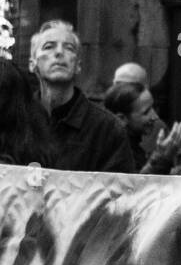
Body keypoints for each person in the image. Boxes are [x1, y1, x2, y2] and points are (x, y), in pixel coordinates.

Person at [29, 19, 135, 173]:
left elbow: (119, 190)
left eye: (69, 48)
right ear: (32, 63)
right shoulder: (17, 122)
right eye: (48, 47)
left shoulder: (107, 129)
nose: (59, 53)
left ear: (78, 65)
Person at [101, 81, 181, 173]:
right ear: (122, 118)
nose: (155, 116)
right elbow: (136, 185)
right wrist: (161, 158)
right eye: (146, 112)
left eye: (153, 108)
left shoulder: (131, 145)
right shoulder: (114, 152)